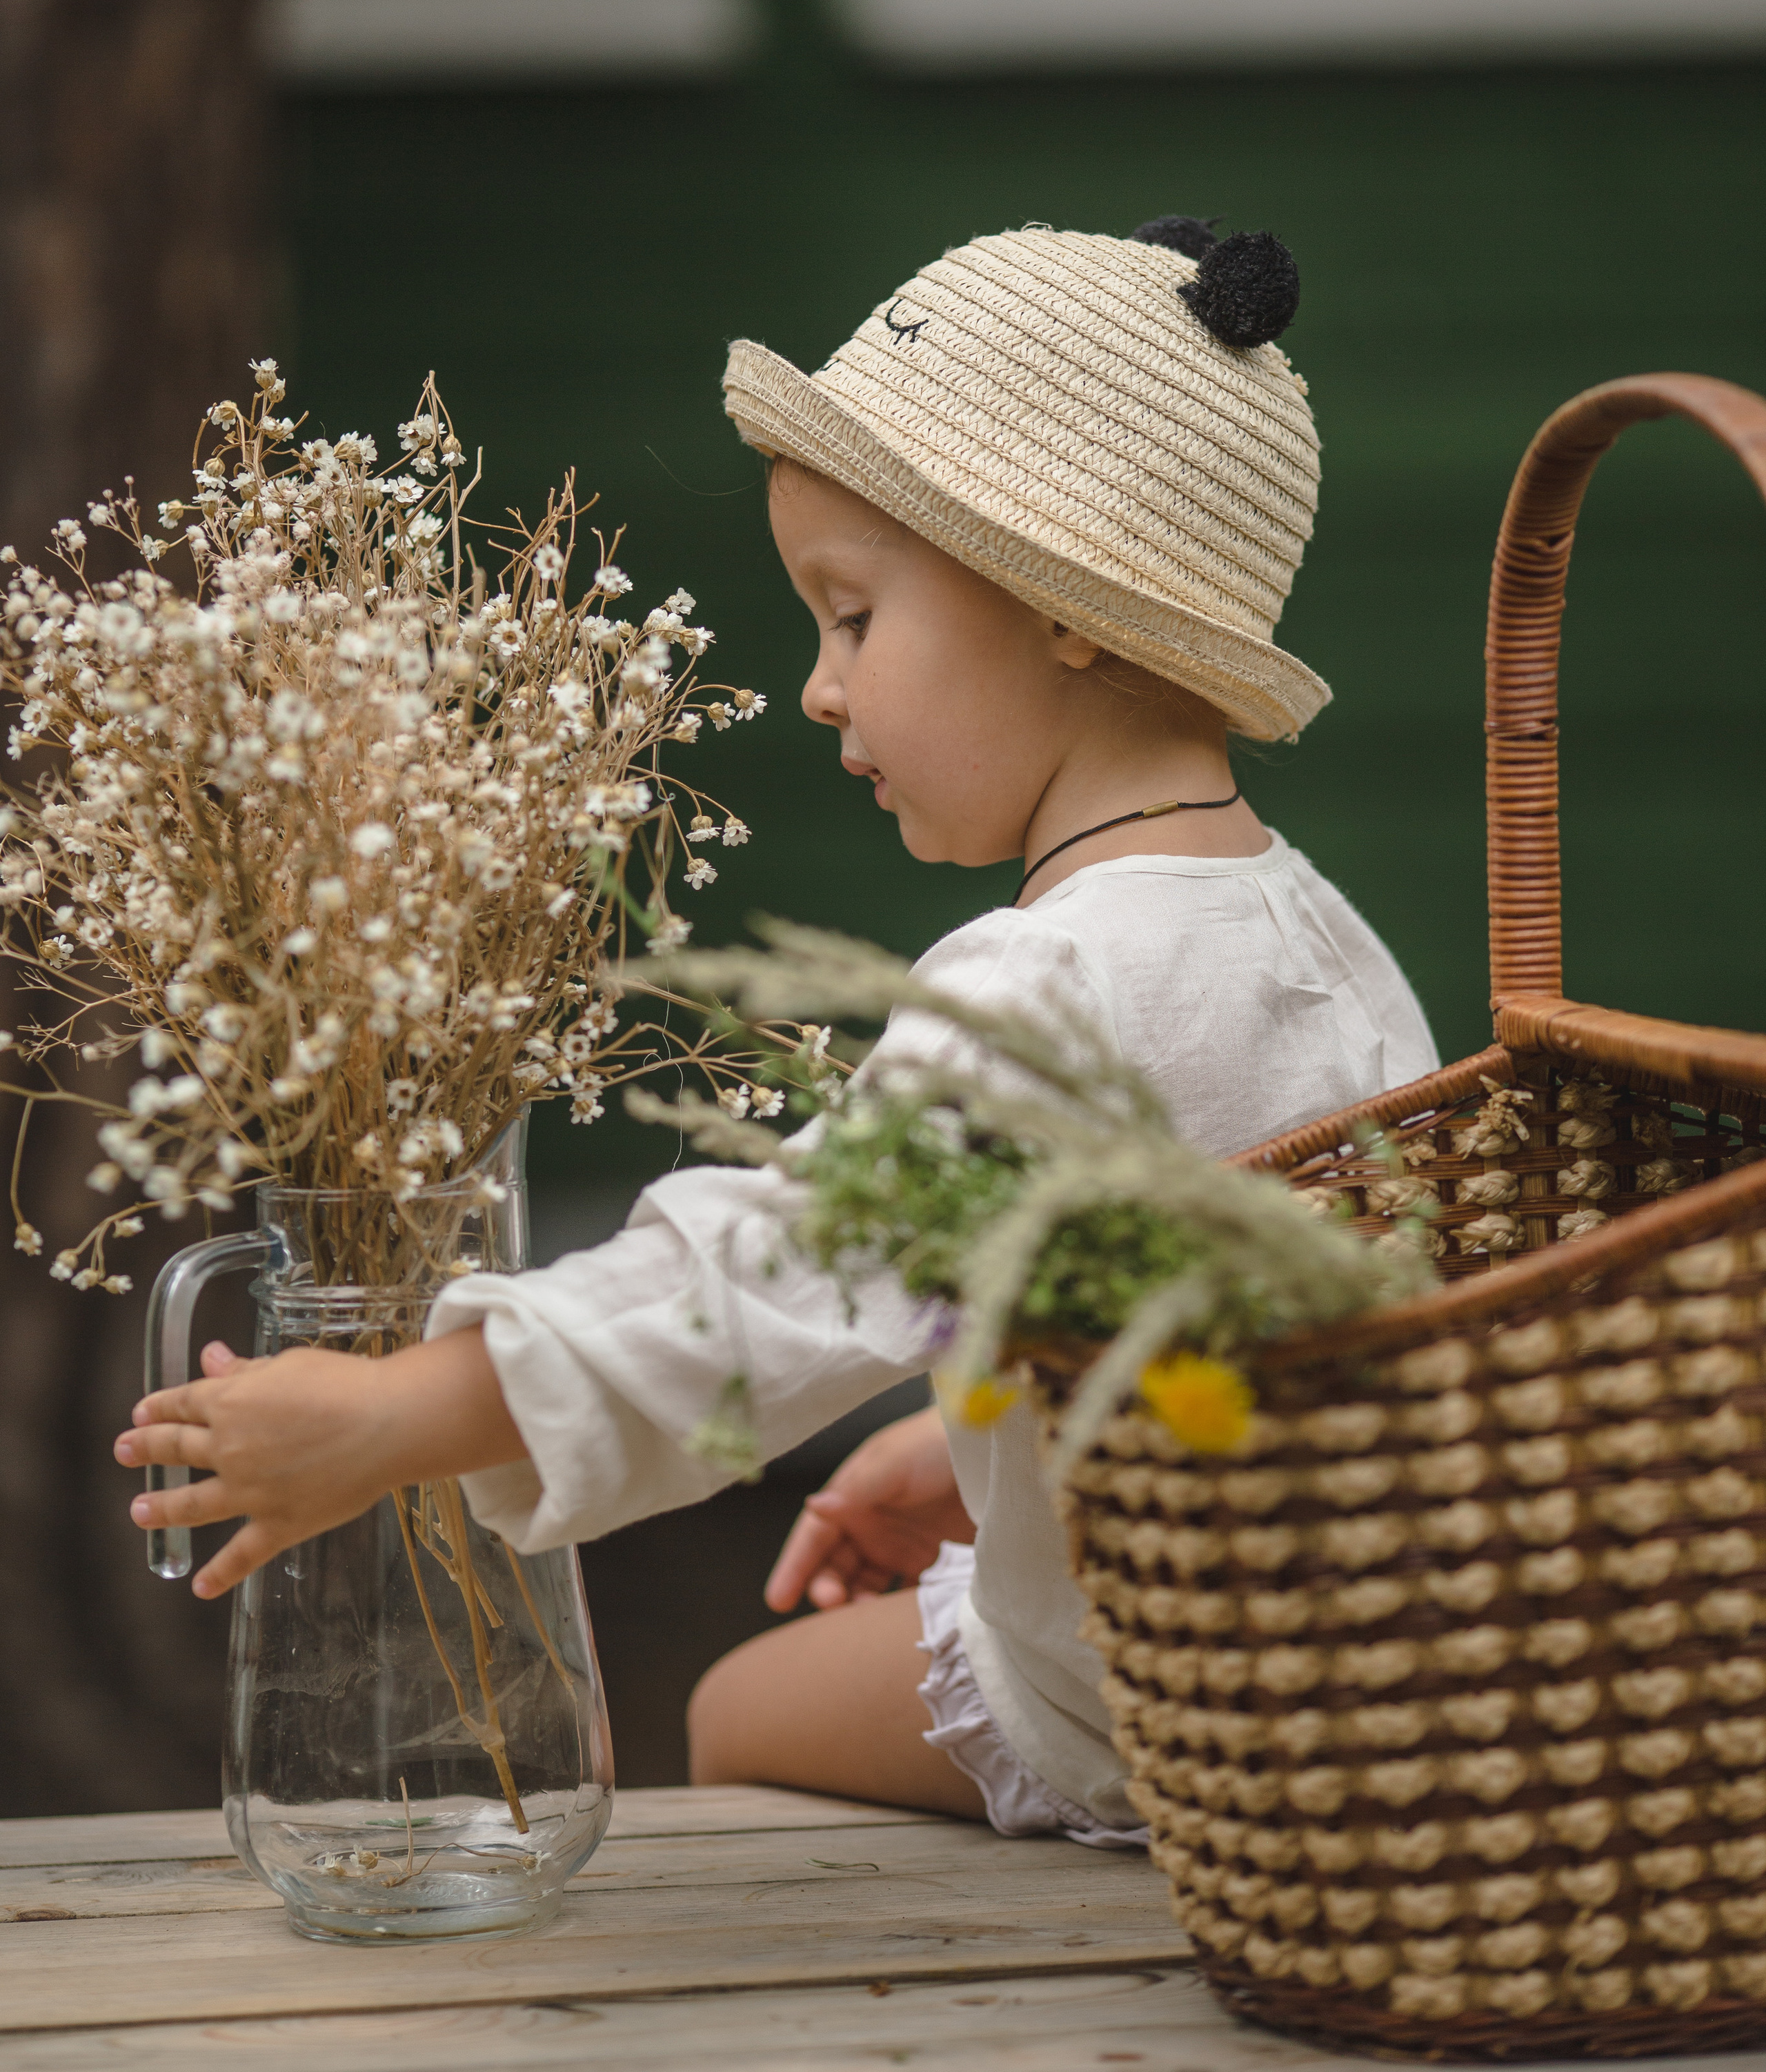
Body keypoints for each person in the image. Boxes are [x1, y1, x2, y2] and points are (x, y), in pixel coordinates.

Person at [117, 217, 1437, 1843]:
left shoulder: (1041, 985)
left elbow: (753, 1280)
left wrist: (394, 1418)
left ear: (1068, 609)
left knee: (734, 1709)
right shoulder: (1320, 936)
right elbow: (1283, 1328)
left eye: (853, 618)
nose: (817, 687)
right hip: (1356, 1665)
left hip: (1147, 1701)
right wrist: (976, 1466)